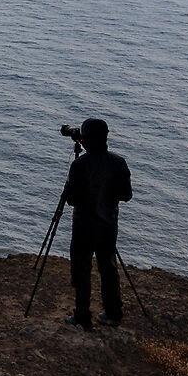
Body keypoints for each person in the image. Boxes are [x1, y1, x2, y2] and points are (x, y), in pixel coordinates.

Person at [62, 118, 132, 328]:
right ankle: (113, 313)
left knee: (81, 270)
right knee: (108, 268)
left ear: (84, 140)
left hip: (84, 226)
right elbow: (126, 195)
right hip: (108, 225)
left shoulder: (79, 165)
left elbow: (71, 199)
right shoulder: (119, 162)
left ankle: (82, 316)